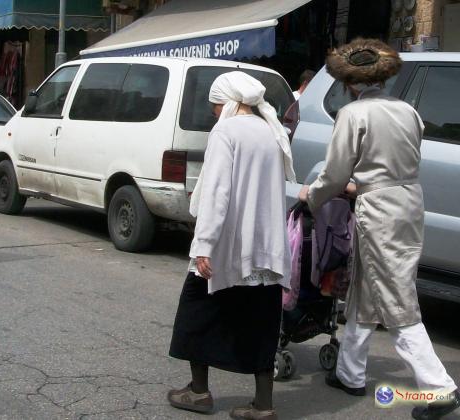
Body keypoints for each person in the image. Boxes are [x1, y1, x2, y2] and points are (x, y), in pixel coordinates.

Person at [298, 38, 459, 420]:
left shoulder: (353, 115)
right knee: (365, 287)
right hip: (408, 203)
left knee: (396, 296)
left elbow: (335, 174)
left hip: (380, 209)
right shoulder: (408, 111)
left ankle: (439, 387)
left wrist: (311, 197)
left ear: (351, 83)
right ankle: (349, 372)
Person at [167, 71, 296, 420]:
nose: (214, 113)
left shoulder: (226, 131)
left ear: (228, 102)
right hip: (265, 249)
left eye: (215, 106)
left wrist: (204, 244)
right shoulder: (272, 130)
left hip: (227, 245)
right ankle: (264, 404)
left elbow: (217, 191)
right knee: (260, 322)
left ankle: (198, 391)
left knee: (197, 309)